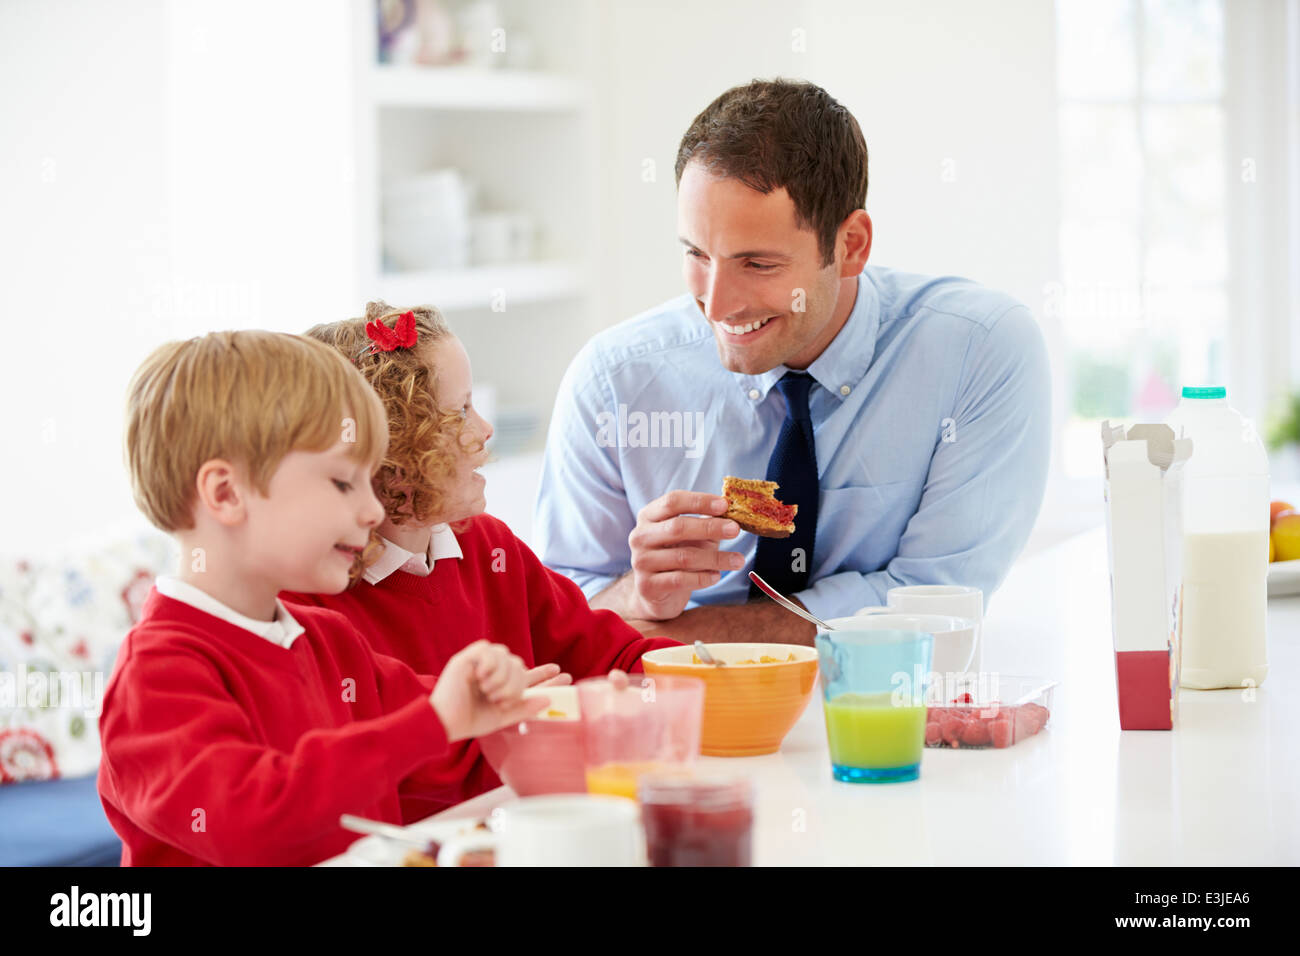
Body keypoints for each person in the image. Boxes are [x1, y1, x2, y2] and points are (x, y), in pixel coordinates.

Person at [535, 78, 1051, 645]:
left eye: (757, 263)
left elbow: (938, 601)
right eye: (697, 255)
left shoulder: (978, 350)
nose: (717, 303)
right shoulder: (613, 381)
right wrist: (639, 593)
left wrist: (672, 634)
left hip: (885, 711)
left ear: (850, 245)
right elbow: (557, 617)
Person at [98, 330, 543, 865]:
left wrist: (521, 712)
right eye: (341, 482)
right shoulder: (156, 675)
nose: (373, 511)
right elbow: (255, 820)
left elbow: (454, 751)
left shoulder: (330, 643)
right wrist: (435, 723)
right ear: (225, 493)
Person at [283, 302, 681, 820]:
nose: (487, 428)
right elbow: (397, 750)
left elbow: (609, 655)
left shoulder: (488, 548)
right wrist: (514, 713)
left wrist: (673, 679)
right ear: (395, 454)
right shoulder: (306, 599)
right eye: (462, 410)